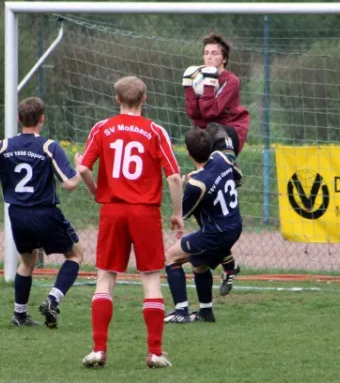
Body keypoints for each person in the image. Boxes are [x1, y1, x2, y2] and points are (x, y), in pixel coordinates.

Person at [75, 76, 183, 369]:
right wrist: (177, 213)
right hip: (145, 212)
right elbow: (173, 176)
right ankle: (155, 352)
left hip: (112, 211)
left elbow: (83, 167)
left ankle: (98, 350)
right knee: (149, 277)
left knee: (106, 276)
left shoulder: (103, 128)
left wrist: (98, 193)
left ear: (117, 99)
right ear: (144, 99)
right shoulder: (155, 130)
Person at [0, 97, 83, 329]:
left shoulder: (5, 146)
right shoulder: (49, 146)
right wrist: (80, 169)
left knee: (27, 261)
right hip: (44, 212)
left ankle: (19, 314)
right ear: (42, 119)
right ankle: (53, 298)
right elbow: (69, 184)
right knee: (75, 255)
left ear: (19, 118)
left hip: (18, 214)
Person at [182, 32, 247, 292]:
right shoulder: (200, 76)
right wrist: (190, 87)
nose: (209, 57)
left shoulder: (230, 80)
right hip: (207, 135)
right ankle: (229, 265)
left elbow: (212, 113)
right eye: (206, 53)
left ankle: (229, 166)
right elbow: (194, 113)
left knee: (217, 130)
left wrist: (207, 83)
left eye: (215, 53)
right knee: (204, 211)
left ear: (224, 59)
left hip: (228, 132)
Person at [164, 126, 243, 324]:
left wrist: (182, 187)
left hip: (215, 234)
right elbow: (236, 176)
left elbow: (183, 214)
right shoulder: (222, 158)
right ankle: (206, 312)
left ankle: (181, 310)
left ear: (188, 153)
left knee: (171, 257)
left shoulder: (195, 185)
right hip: (234, 226)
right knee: (199, 264)